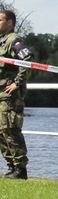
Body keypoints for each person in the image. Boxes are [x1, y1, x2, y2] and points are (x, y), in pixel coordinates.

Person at [0, 9, 33, 179]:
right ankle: (12, 167)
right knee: (1, 131)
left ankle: (20, 169)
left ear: (10, 23)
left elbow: (27, 61)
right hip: (1, 96)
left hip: (11, 97)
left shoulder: (14, 40)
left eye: (0, 20)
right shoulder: (2, 42)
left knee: (11, 129)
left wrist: (17, 83)